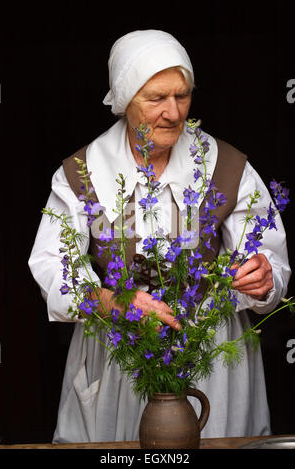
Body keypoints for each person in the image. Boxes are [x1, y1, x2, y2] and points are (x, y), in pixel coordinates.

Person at [28, 30, 291, 443]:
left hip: (210, 351)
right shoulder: (82, 174)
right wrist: (110, 302)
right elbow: (50, 264)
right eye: (156, 98)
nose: (173, 112)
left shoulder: (226, 166)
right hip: (121, 351)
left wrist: (263, 276)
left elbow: (270, 259)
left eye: (182, 96)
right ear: (124, 101)